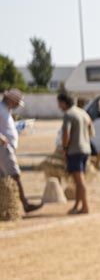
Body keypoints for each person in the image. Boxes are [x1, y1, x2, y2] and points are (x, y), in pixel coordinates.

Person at [0, 88, 40, 216]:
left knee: (4, 177)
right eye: (17, 103)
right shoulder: (1, 109)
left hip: (6, 147)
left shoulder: (6, 110)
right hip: (3, 147)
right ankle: (25, 204)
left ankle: (6, 206)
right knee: (15, 175)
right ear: (10, 100)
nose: (18, 105)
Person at [58, 90, 92, 215]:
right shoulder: (82, 112)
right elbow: (90, 127)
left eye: (59, 103)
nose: (58, 106)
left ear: (64, 102)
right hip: (86, 149)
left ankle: (85, 207)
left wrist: (64, 148)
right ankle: (77, 206)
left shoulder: (68, 114)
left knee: (79, 181)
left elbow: (66, 133)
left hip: (75, 150)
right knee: (78, 181)